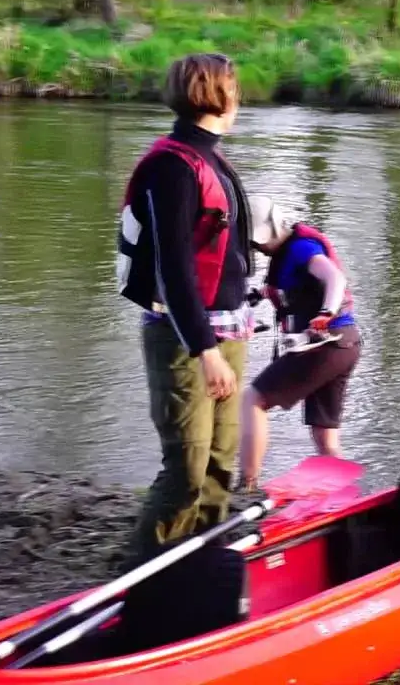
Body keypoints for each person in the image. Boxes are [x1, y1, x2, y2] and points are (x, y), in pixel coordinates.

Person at [115, 53, 254, 567]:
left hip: (228, 330)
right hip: (185, 338)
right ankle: (146, 577)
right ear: (217, 95)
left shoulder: (212, 157)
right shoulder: (171, 165)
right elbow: (174, 268)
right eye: (234, 88)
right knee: (188, 466)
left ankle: (204, 565)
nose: (240, 98)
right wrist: (205, 350)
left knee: (220, 462)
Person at [237, 196, 363, 491]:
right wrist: (257, 295)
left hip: (326, 343)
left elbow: (334, 277)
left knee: (252, 401)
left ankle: (246, 487)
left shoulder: (301, 248)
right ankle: (347, 497)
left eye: (255, 243)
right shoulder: (286, 255)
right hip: (346, 345)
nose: (255, 248)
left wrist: (326, 312)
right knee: (325, 434)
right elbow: (295, 290)